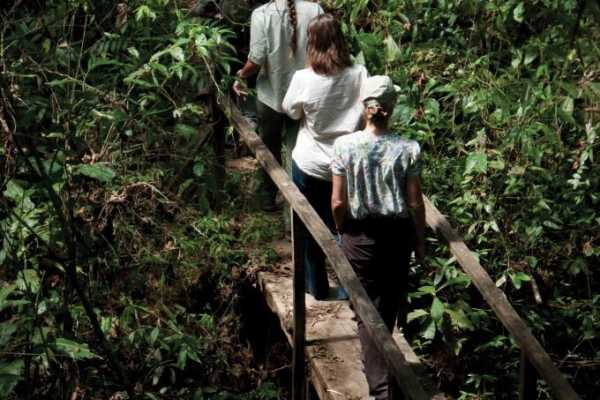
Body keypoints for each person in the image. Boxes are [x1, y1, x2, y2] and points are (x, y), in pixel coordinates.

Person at [330, 76, 426, 400]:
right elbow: (414, 202)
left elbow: (337, 202)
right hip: (397, 238)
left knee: (365, 310)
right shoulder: (408, 149)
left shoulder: (343, 146)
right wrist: (420, 241)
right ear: (392, 108)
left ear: (364, 106)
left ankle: (381, 388)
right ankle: (386, 381)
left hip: (360, 235)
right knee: (384, 308)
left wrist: (342, 229)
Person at [282, 13, 367, 300]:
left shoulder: (304, 78)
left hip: (309, 162)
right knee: (345, 227)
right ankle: (348, 289)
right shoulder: (359, 74)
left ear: (312, 43)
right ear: (341, 40)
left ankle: (316, 286)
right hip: (346, 164)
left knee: (308, 227)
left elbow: (290, 111)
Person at [234, 0, 323, 211]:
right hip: (305, 96)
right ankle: (298, 208)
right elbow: (322, 51)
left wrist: (240, 76)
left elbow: (257, 58)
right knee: (299, 149)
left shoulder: (261, 14)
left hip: (271, 95)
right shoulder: (315, 10)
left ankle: (268, 196)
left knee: (269, 147)